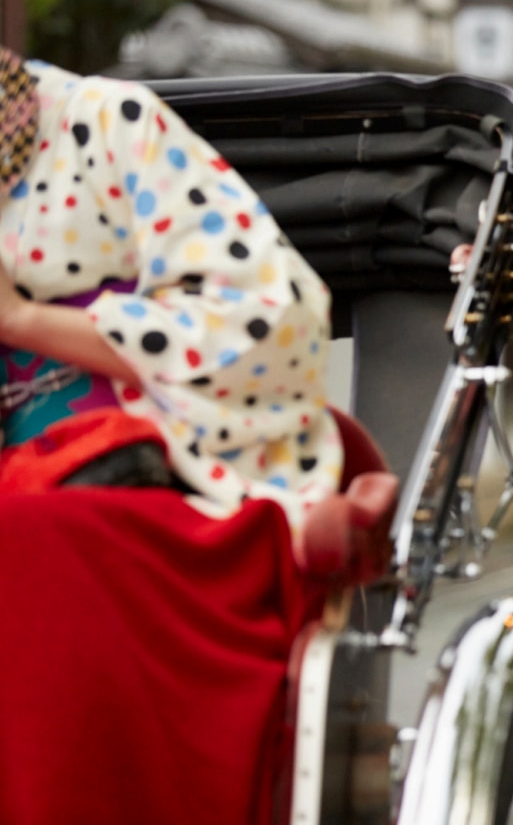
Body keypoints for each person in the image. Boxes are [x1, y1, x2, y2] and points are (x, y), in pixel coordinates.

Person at [0, 48, 345, 823]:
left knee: (29, 547)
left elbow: (273, 324)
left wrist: (24, 321)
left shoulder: (108, 123)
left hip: (165, 477)